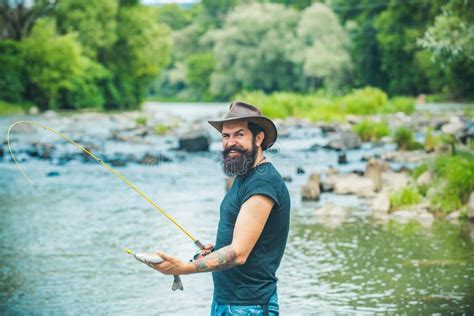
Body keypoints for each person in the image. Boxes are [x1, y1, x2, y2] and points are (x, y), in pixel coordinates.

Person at [153, 101, 291, 315]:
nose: (230, 142)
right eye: (226, 136)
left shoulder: (264, 183)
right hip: (228, 303)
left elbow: (238, 254)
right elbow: (239, 244)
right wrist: (215, 252)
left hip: (249, 307)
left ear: (259, 137)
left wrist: (183, 268)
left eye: (239, 135)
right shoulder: (246, 177)